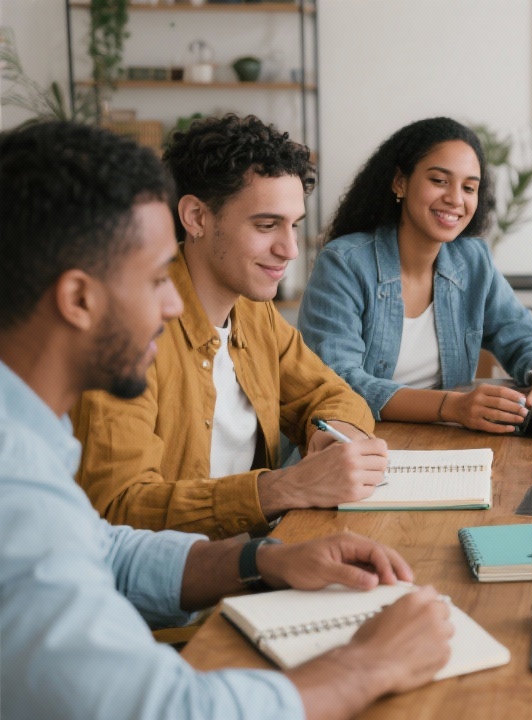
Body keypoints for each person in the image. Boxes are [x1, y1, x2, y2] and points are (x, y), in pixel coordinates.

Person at [0, 120, 455, 720]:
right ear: (79, 299)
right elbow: (168, 710)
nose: (170, 304)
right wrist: (366, 664)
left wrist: (260, 560)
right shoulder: (18, 478)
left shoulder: (32, 437)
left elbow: (105, 549)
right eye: (158, 277)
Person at [71, 114, 389, 538]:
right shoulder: (127, 334)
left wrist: (334, 437)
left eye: (292, 225)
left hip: (255, 561)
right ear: (197, 217)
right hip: (178, 590)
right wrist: (283, 488)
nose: (290, 249)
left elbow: (331, 394)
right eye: (265, 225)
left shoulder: (254, 313)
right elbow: (119, 506)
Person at [297, 117, 532, 434]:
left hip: (443, 441)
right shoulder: (344, 263)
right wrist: (452, 406)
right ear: (400, 182)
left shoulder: (472, 260)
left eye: (469, 188)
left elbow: (522, 336)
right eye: (439, 180)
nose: (455, 199)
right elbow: (339, 380)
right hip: (358, 441)